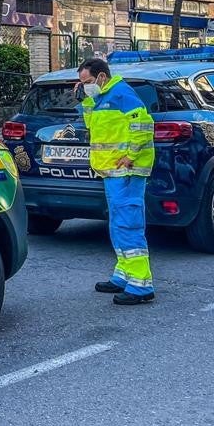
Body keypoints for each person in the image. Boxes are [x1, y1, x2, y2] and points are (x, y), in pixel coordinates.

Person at [78, 57, 156, 305]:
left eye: (88, 82)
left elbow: (144, 125)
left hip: (127, 173)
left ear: (101, 76)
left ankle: (141, 285)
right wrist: (86, 99)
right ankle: (123, 275)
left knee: (128, 225)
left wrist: (130, 156)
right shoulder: (101, 98)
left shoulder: (122, 93)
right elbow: (93, 127)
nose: (86, 85)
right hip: (113, 173)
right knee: (118, 225)